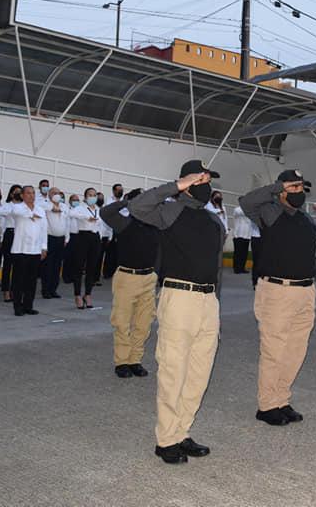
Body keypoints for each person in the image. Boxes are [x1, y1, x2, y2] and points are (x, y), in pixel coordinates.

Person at [128, 160, 224, 464]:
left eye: (208, 179)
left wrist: (215, 302)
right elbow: (137, 206)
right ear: (187, 182)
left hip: (208, 301)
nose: (206, 184)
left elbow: (216, 266)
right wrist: (177, 186)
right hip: (180, 297)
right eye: (200, 179)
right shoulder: (170, 211)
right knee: (173, 370)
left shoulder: (214, 220)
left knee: (198, 373)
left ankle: (182, 431)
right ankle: (166, 439)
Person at [240, 169, 316, 427]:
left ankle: (281, 399)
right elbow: (246, 202)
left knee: (295, 350)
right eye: (293, 187)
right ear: (281, 190)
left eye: (301, 187)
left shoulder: (306, 219)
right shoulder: (269, 212)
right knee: (274, 350)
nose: (299, 192)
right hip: (277, 291)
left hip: (305, 291)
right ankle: (267, 405)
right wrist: (276, 188)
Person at [101, 188, 158, 379]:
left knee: (143, 323)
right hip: (127, 278)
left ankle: (135, 360)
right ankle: (122, 361)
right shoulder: (124, 223)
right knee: (122, 322)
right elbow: (105, 212)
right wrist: (127, 202)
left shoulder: (155, 224)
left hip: (148, 278)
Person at [8, 186, 48, 317]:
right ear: (22, 195)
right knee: (18, 280)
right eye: (28, 193)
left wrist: (44, 247)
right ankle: (17, 306)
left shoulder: (40, 210)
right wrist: (31, 214)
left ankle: (28, 305)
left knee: (31, 281)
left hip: (35, 250)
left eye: (33, 193)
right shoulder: (18, 207)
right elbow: (16, 213)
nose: (31, 195)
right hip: (20, 250)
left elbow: (44, 229)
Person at [69, 187, 101, 310]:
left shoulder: (98, 209)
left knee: (91, 268)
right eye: (90, 195)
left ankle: (88, 294)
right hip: (83, 237)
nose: (92, 197)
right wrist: (86, 218)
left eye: (94, 195)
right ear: (85, 197)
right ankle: (77, 295)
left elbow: (100, 224)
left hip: (95, 238)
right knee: (79, 267)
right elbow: (71, 213)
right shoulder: (80, 208)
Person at [41, 187, 67, 299]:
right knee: (48, 266)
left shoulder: (64, 206)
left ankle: (53, 289)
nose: (56, 195)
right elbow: (40, 206)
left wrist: (66, 238)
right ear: (49, 195)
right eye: (54, 193)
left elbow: (67, 222)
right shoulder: (45, 204)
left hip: (61, 239)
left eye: (58, 193)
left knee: (57, 265)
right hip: (49, 238)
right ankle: (46, 290)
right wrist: (52, 208)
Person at [0, 185, 23, 303]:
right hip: (10, 233)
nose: (18, 194)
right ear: (11, 194)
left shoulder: (24, 206)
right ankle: (6, 290)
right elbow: (3, 217)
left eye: (20, 192)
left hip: (20, 234)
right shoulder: (7, 205)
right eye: (16, 192)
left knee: (18, 265)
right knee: (7, 264)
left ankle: (15, 289)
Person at [231, 205, 255, 274]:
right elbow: (240, 213)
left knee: (244, 253)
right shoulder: (237, 209)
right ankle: (236, 268)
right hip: (238, 235)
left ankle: (242, 268)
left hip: (247, 235)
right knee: (238, 253)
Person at [96, 191, 111, 287]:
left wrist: (110, 236)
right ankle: (92, 277)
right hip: (97, 237)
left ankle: (96, 278)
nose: (100, 199)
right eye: (99, 198)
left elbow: (109, 224)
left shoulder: (105, 210)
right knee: (95, 258)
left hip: (105, 237)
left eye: (102, 198)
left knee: (101, 258)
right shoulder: (93, 209)